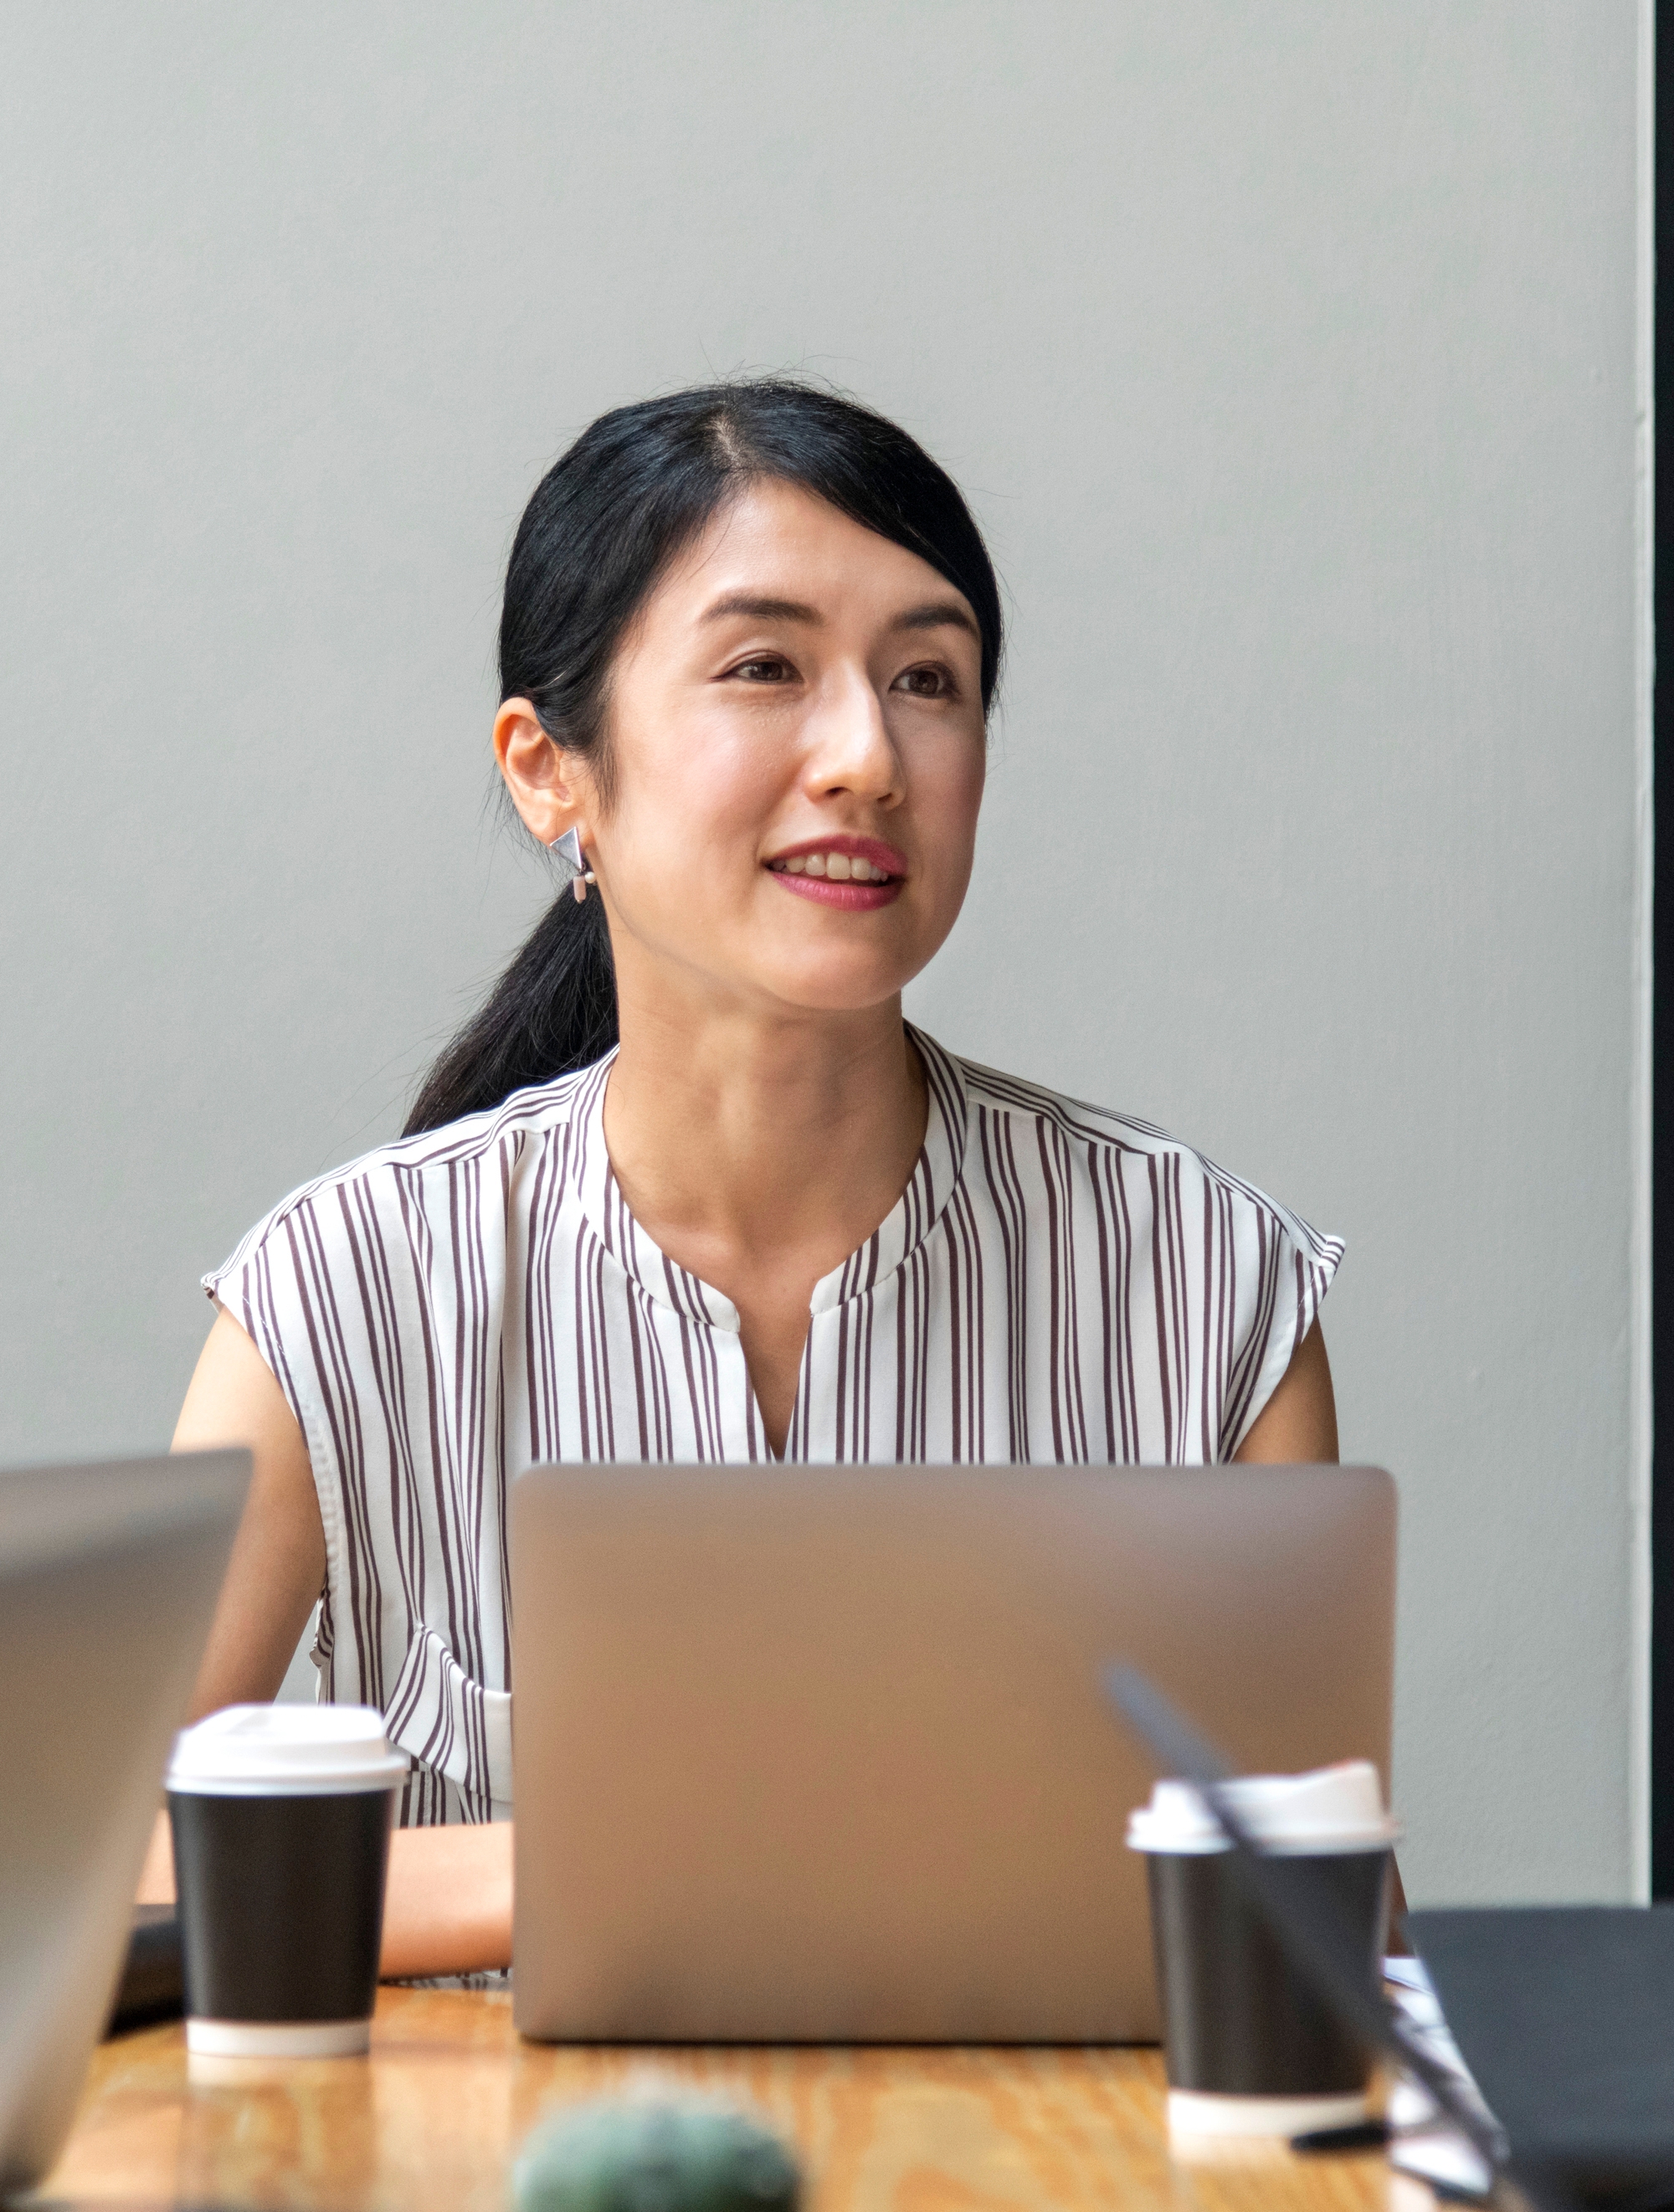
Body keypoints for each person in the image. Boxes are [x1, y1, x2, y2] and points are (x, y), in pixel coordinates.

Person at [143, 380, 1343, 1980]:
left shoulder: (1206, 1285)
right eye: (765, 667)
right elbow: (107, 1855)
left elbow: (1327, 1917)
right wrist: (617, 1858)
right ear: (549, 770)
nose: (866, 754)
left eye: (930, 678)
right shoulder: (343, 1291)